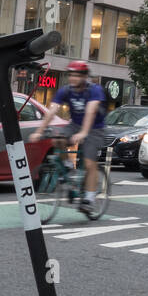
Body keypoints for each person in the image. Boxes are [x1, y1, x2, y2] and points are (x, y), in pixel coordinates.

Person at [29, 60, 106, 217]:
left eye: (77, 75)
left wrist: (84, 133)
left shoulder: (94, 90)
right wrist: (39, 131)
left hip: (95, 129)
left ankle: (90, 200)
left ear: (85, 77)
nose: (72, 78)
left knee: (90, 163)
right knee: (57, 138)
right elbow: (52, 111)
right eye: (71, 75)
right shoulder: (65, 91)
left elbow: (91, 111)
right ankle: (67, 165)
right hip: (75, 124)